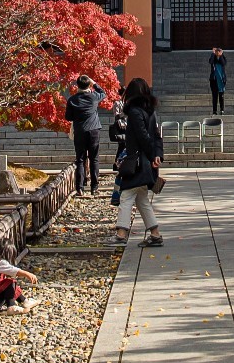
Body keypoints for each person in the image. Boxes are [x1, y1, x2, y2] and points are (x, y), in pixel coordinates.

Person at [114, 75, 165, 247]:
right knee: (141, 199)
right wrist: (157, 155)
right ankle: (155, 234)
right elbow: (156, 136)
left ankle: (121, 233)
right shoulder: (150, 112)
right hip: (147, 162)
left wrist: (151, 155)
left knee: (126, 196)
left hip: (138, 161)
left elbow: (143, 137)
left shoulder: (135, 113)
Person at [66, 75, 107, 195]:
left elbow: (68, 117)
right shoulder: (94, 97)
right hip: (94, 130)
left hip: (80, 131)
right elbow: (103, 93)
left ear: (77, 85)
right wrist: (94, 83)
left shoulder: (72, 100)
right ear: (88, 85)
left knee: (80, 159)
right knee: (94, 159)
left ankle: (80, 187)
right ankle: (94, 187)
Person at [0, 243, 39, 314]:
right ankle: (11, 306)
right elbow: (13, 270)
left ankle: (24, 300)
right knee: (9, 282)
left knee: (9, 283)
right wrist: (27, 274)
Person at [209, 47, 228, 115]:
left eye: (219, 51)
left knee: (221, 96)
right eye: (216, 51)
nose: (217, 52)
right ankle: (214, 111)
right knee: (214, 96)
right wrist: (213, 54)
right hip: (214, 80)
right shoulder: (213, 58)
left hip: (221, 80)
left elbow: (223, 63)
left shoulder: (222, 58)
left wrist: (221, 55)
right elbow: (210, 62)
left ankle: (222, 109)